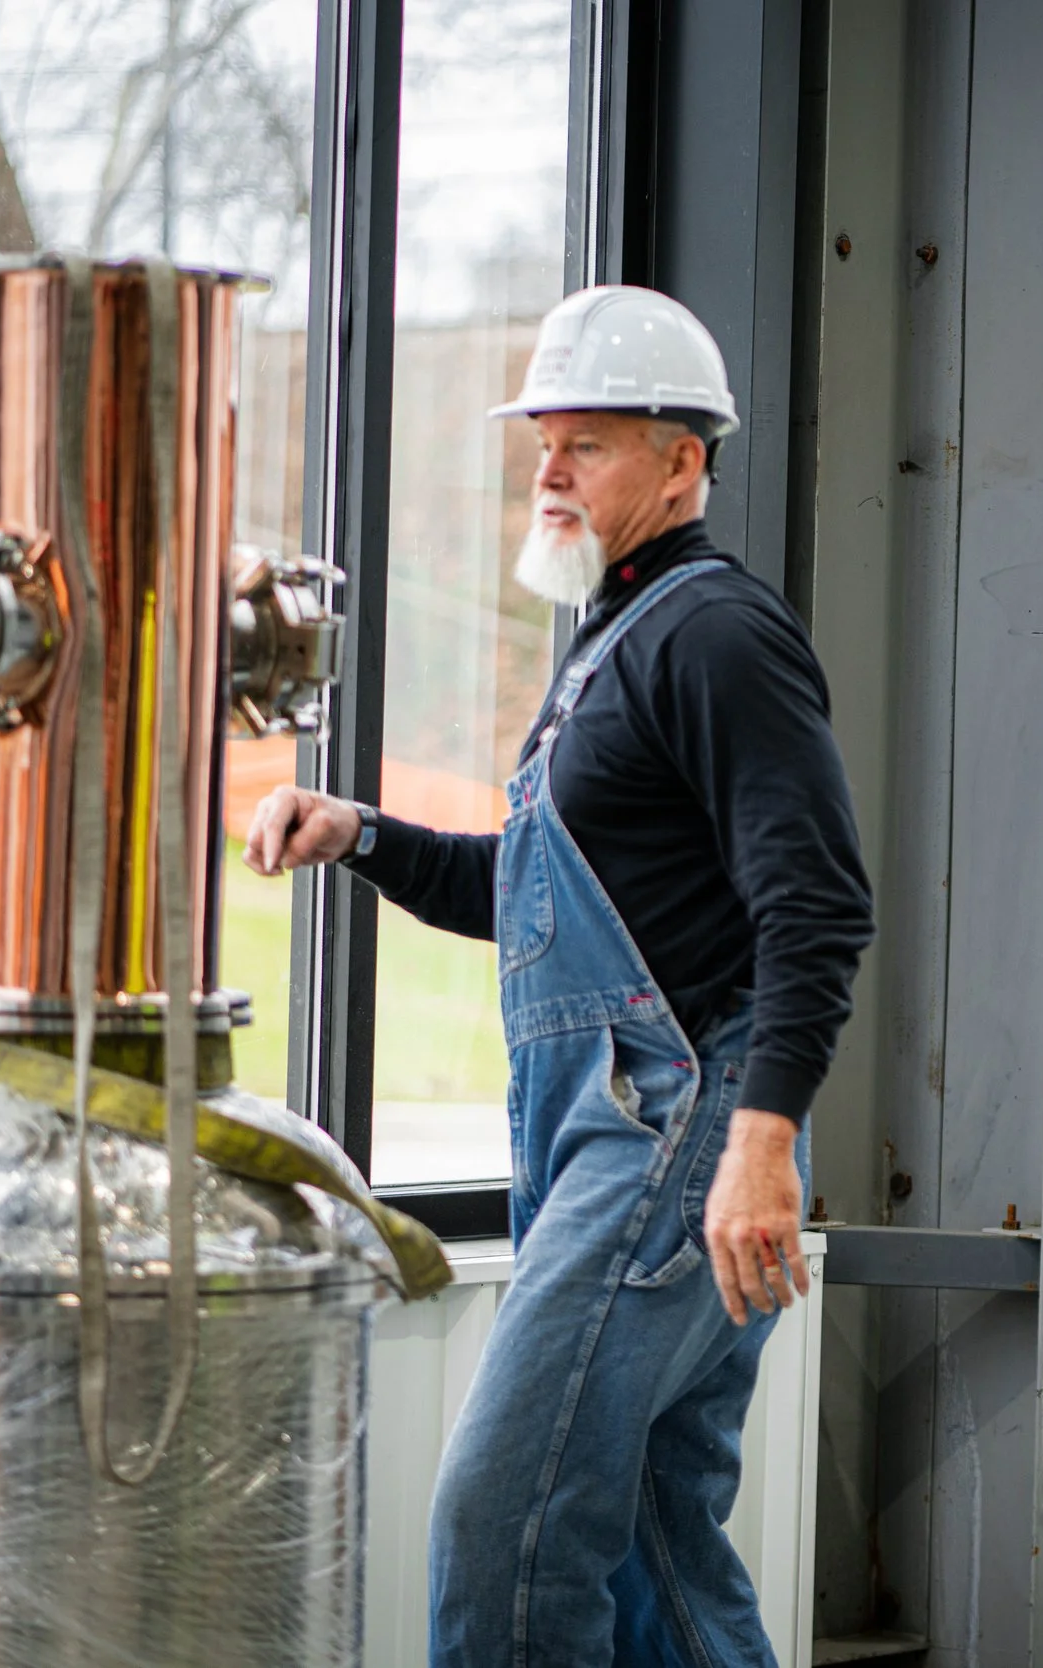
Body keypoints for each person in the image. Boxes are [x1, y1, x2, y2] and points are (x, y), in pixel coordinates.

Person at [244, 285, 873, 1668]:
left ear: (681, 460)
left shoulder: (716, 637)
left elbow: (819, 906)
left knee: (502, 1519)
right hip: (617, 1131)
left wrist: (759, 1145)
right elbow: (529, 898)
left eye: (585, 443)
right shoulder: (610, 642)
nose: (549, 470)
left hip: (673, 1130)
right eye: (543, 442)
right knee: (650, 1527)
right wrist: (360, 836)